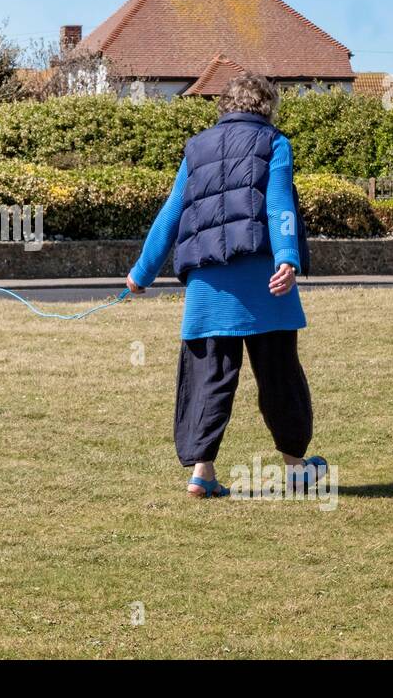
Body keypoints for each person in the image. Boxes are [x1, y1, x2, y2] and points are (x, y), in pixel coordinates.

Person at [125, 72, 325, 498]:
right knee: (279, 375)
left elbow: (172, 213)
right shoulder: (274, 143)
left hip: (207, 289)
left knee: (208, 377)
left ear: (224, 106)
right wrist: (287, 258)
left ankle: (202, 473)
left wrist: (141, 272)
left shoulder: (196, 148)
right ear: (267, 106)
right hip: (265, 282)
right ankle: (295, 469)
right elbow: (278, 205)